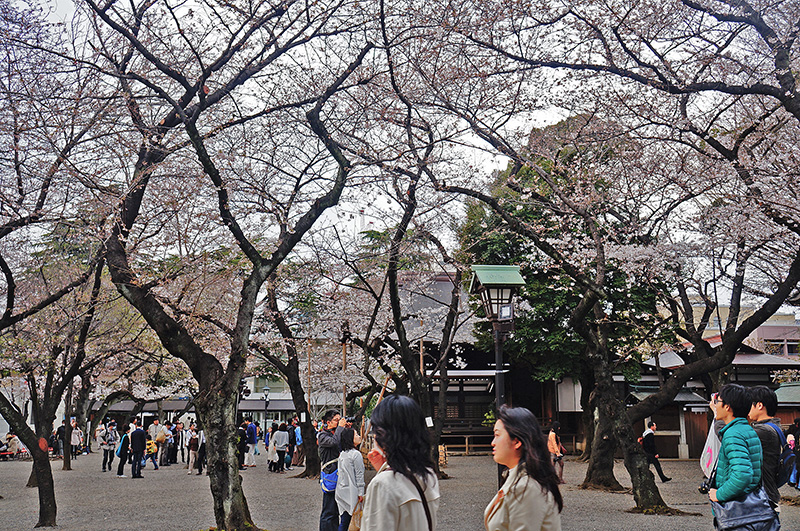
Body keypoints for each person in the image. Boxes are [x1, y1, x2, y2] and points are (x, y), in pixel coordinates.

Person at [362, 395, 440, 531]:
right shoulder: (428, 475)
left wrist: (384, 473)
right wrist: (384, 468)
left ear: (385, 436)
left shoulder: (382, 484)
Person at [708, 383, 777, 529]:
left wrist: (719, 494)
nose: (715, 405)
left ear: (727, 407)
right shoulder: (748, 429)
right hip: (750, 506)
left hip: (739, 512)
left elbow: (742, 475)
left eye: (717, 401)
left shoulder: (733, 434)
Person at [485, 406, 563, 531]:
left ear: (516, 442)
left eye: (497, 435)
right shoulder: (518, 478)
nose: (493, 442)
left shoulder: (526, 487)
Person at [748, 386, 783, 515]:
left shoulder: (764, 431)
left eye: (749, 405)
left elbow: (732, 439)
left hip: (763, 497)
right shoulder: (773, 427)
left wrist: (720, 418)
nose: (747, 409)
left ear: (759, 405)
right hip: (767, 494)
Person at [319, 409, 346, 531]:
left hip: (339, 473)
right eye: (336, 420)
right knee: (329, 510)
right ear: (328, 422)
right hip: (330, 475)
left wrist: (346, 429)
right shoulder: (323, 436)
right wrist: (340, 428)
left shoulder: (336, 432)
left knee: (336, 509)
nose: (338, 422)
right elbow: (334, 443)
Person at [336, 428, 365, 531]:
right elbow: (359, 475)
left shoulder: (343, 454)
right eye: (356, 434)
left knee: (344, 520)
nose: (359, 436)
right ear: (350, 439)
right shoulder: (356, 454)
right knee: (353, 521)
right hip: (352, 491)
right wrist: (361, 492)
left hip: (341, 490)